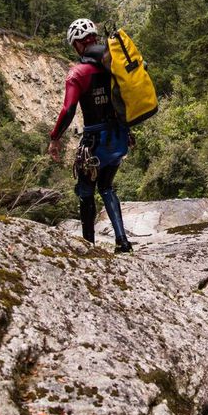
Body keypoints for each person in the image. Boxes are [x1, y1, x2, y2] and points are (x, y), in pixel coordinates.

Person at [48, 18, 132, 254]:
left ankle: (89, 246)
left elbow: (68, 109)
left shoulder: (79, 73)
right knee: (106, 186)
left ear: (77, 45)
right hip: (118, 138)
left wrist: (55, 138)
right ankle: (122, 242)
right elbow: (120, 101)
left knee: (86, 192)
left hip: (95, 143)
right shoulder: (112, 68)